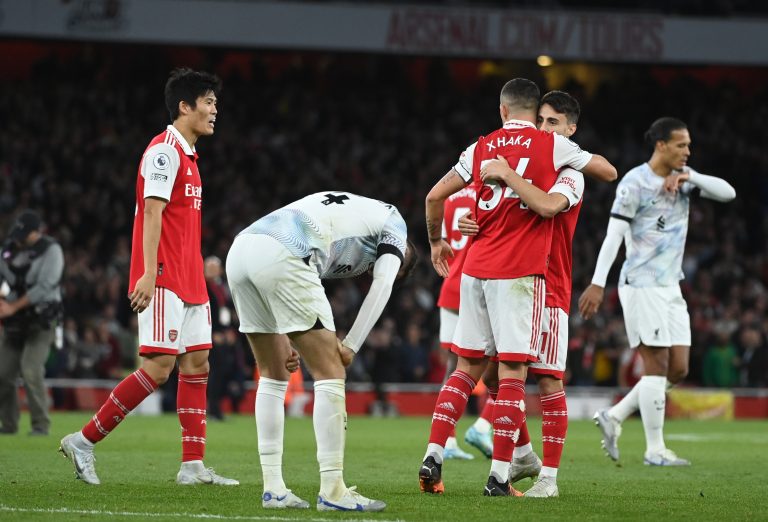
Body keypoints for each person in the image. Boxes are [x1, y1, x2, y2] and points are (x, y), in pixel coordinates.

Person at [419, 78, 616, 497]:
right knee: (506, 374)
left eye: (555, 122)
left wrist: (440, 239)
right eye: (542, 119)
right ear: (531, 114)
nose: (547, 128)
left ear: (504, 110)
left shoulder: (487, 148)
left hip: (506, 276)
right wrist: (478, 217)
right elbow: (532, 203)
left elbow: (437, 197)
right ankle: (503, 472)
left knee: (494, 373)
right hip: (520, 276)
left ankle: (454, 458)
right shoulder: (550, 151)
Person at [60, 68, 238, 486]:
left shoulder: (191, 157)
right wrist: (146, 274)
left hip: (191, 277)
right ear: (184, 106)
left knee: (198, 365)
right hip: (163, 276)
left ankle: (192, 466)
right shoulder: (164, 152)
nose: (215, 110)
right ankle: (83, 441)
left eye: (215, 102)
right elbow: (152, 213)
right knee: (158, 368)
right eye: (208, 102)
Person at [226, 191, 417, 512]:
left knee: (273, 373)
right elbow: (383, 284)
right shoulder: (395, 226)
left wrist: (287, 333)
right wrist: (351, 345)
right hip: (284, 250)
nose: (376, 269)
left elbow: (295, 278)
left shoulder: (355, 224)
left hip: (243, 248)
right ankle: (333, 490)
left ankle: (274, 490)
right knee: (331, 370)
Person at [579, 117, 736, 466]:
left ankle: (615, 415)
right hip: (642, 283)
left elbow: (729, 192)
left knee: (678, 369)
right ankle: (655, 450)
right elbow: (613, 236)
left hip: (670, 285)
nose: (687, 151)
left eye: (689, 145)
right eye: (681, 145)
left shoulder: (686, 180)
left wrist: (690, 176)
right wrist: (597, 282)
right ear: (661, 145)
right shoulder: (634, 183)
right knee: (657, 366)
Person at [0, 210, 64, 436]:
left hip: (41, 320)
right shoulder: (10, 248)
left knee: (30, 369)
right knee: (2, 373)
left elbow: (46, 286)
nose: (21, 238)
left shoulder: (51, 250)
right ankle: (8, 425)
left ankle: (40, 425)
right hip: (13, 321)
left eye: (25, 234)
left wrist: (12, 306)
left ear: (38, 232)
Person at [436, 187, 479, 460]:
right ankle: (488, 429)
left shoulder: (449, 198)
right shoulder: (490, 192)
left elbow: (441, 242)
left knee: (451, 369)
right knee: (498, 364)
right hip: (475, 285)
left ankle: (445, 441)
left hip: (449, 288)